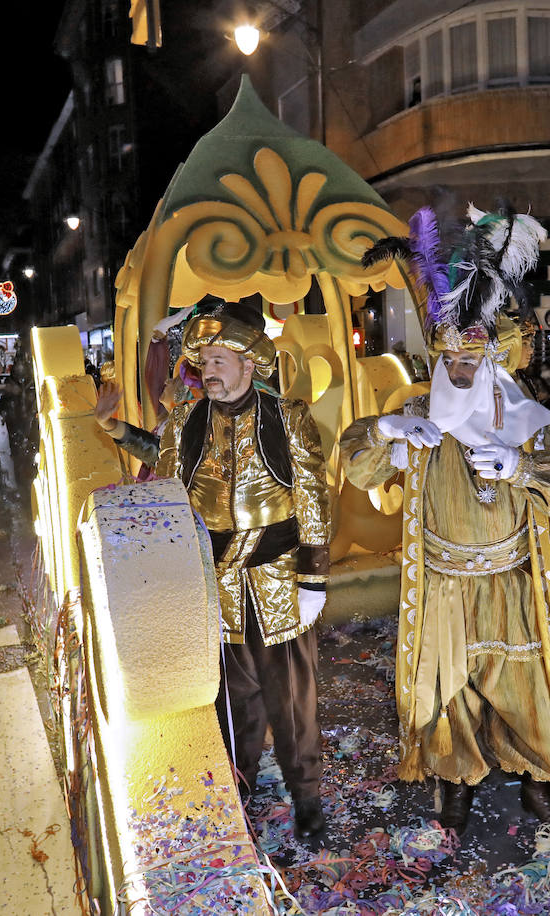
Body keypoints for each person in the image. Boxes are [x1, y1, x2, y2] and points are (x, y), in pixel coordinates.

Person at [340, 205, 550, 836]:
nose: (460, 371)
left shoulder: (528, 420)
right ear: (437, 359)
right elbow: (359, 468)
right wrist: (384, 428)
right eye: (450, 362)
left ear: (492, 363)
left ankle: (538, 773)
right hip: (444, 587)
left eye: (471, 363)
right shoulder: (420, 419)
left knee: (520, 685)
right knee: (451, 690)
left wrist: (518, 467)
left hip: (511, 584)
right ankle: (456, 781)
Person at [95, 300, 331, 841]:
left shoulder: (288, 416)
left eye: (220, 359)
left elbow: (314, 495)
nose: (209, 370)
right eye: (203, 361)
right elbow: (165, 472)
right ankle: (238, 789)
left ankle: (307, 795)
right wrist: (117, 430)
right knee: (233, 696)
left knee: (291, 696)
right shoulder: (187, 417)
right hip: (216, 582)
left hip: (277, 579)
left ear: (249, 363)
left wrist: (314, 574)